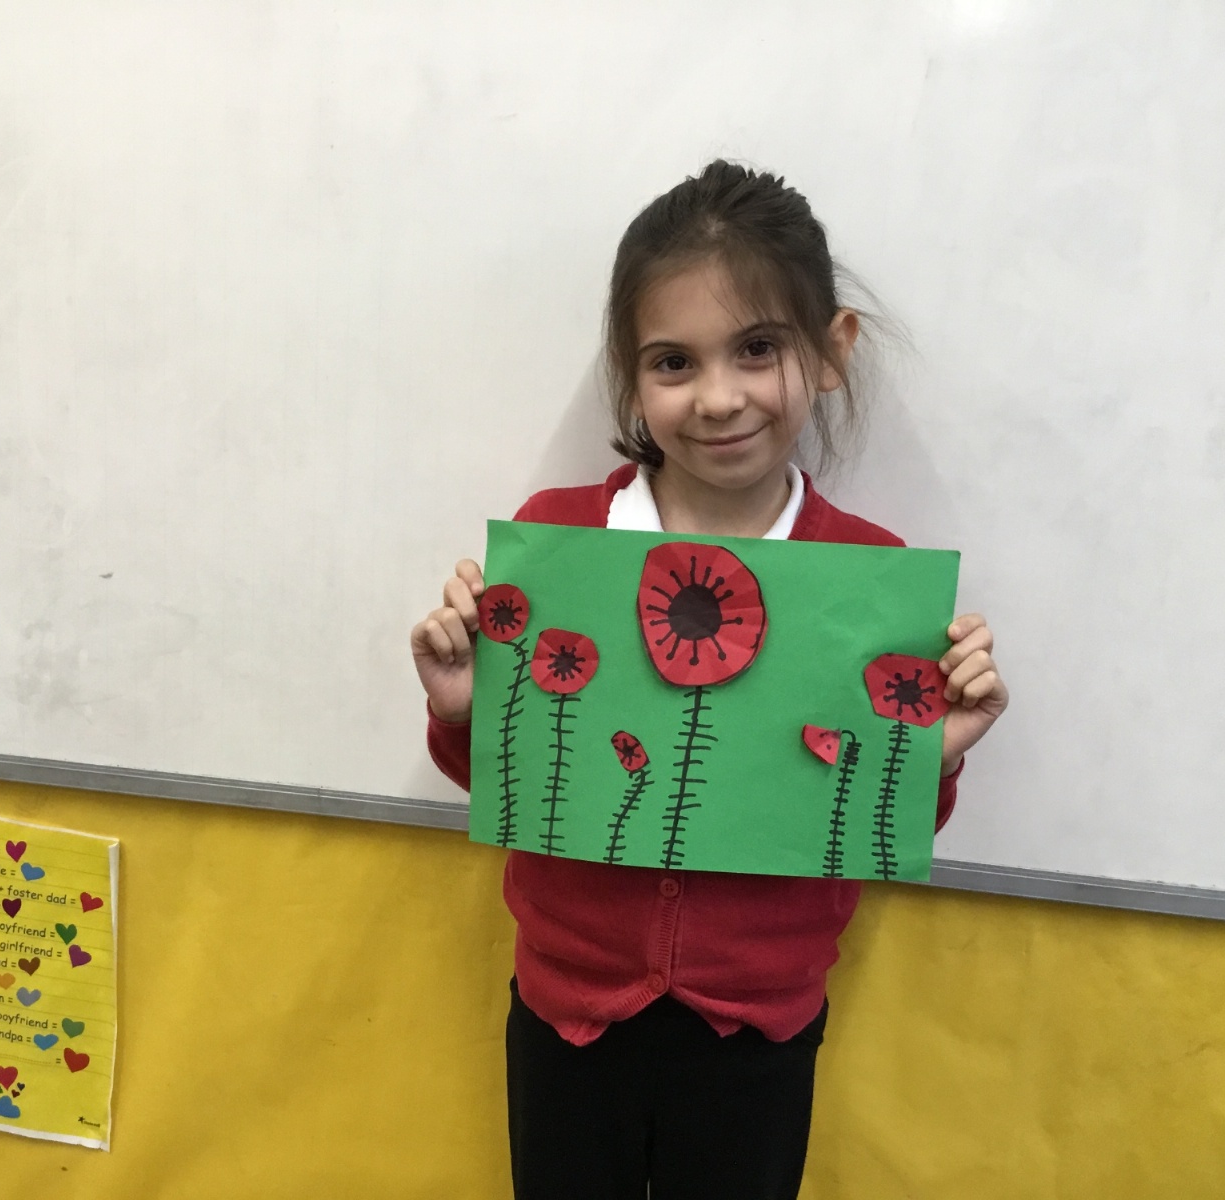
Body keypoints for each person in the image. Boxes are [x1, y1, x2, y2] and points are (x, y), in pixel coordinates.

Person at [409, 160, 1009, 1200]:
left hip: (759, 1025)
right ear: (631, 375)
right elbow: (528, 779)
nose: (719, 396)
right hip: (566, 1010)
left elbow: (859, 817)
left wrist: (933, 760)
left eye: (758, 348)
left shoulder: (867, 577)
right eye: (674, 362)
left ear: (832, 349)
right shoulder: (561, 542)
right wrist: (462, 711)